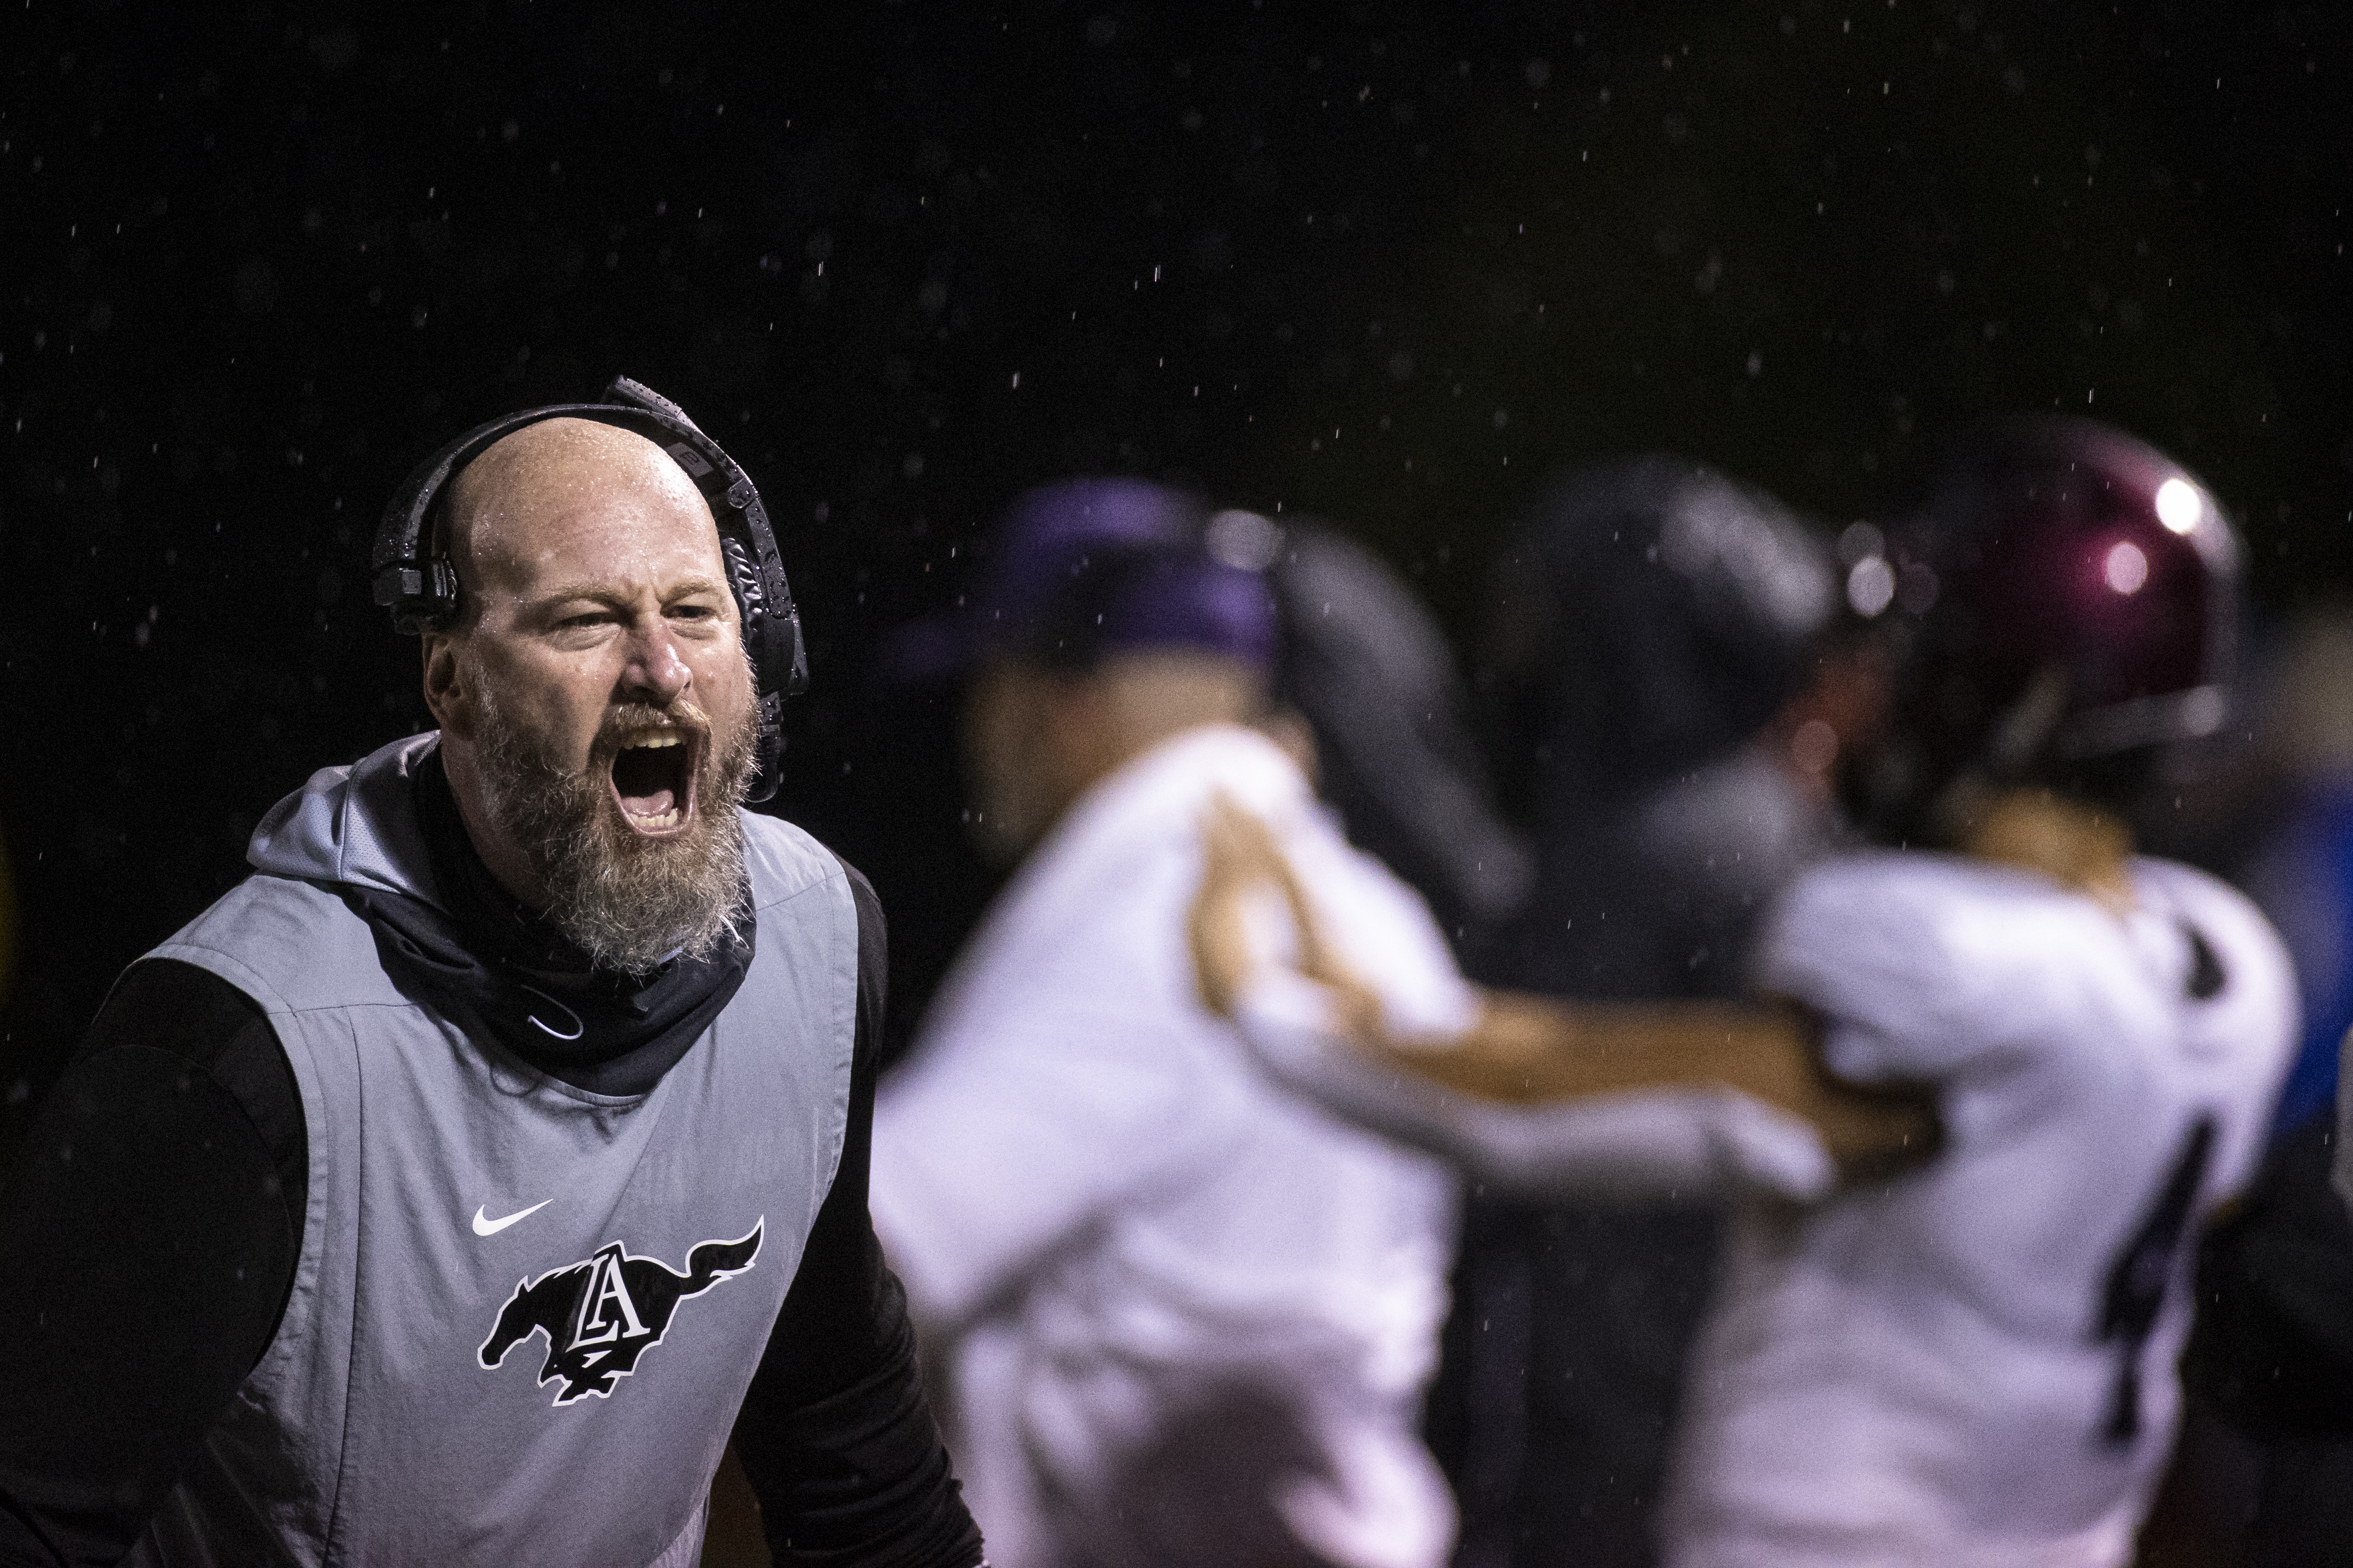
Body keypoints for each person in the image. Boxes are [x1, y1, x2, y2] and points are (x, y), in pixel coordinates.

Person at [1193, 417, 2296, 1568]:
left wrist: (1262, 1000)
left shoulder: (1954, 963)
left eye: (1913, 651)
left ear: (2009, 692)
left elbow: (1532, 1096)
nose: (1867, 687)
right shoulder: (2219, 966)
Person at [0, 379, 983, 1567]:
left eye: (696, 611)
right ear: (450, 680)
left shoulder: (822, 938)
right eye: (583, 621)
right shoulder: (233, 1053)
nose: (660, 668)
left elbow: (845, 1436)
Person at [869, 480, 1926, 1568]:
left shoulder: (1163, 894)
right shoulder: (1370, 906)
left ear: (1060, 702)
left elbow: (868, 1251)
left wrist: (1258, 998)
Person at [1435, 457, 1860, 1567]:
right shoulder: (1784, 825)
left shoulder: (1659, 851)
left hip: (1619, 1437)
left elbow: (1517, 1132)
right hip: (1750, 1413)